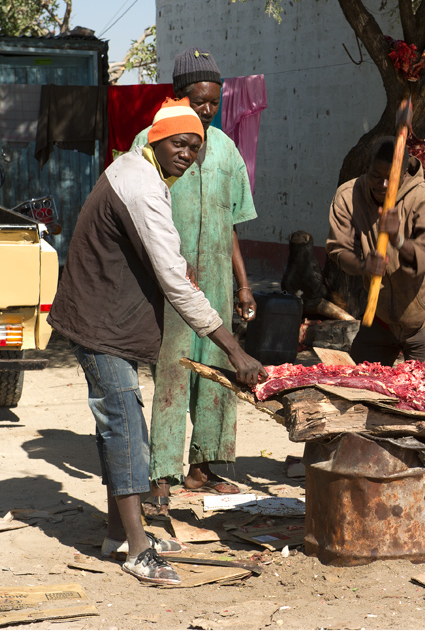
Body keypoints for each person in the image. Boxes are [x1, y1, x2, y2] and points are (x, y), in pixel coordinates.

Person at [48, 98, 267, 585]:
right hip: (99, 323)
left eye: (195, 146)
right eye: (179, 143)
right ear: (155, 139)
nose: (187, 153)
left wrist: (173, 262)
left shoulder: (140, 171)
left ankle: (117, 533)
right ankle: (139, 550)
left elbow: (160, 251)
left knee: (118, 425)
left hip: (111, 319)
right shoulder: (143, 185)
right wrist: (234, 349)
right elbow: (175, 281)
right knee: (126, 424)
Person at [131, 48, 259, 518]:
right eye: (199, 100)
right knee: (174, 373)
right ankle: (161, 474)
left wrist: (243, 286)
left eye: (214, 101)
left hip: (219, 284)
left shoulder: (226, 149)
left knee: (223, 374)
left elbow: (231, 225)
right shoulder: (150, 141)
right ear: (178, 95)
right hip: (171, 286)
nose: (207, 109)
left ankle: (205, 466)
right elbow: (135, 213)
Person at [326, 136, 425, 366]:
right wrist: (362, 265)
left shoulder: (424, 197)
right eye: (375, 176)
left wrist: (397, 239)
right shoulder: (348, 196)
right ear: (367, 168)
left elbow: (424, 259)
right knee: (358, 386)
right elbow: (338, 250)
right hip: (377, 315)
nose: (382, 185)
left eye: (390, 179)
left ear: (403, 174)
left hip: (419, 314)